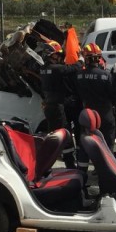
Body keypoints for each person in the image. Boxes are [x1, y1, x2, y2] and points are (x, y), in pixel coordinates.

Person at [39, 40, 81, 168]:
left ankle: (47, 165)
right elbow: (73, 68)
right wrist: (81, 60)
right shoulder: (56, 69)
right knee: (65, 136)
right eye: (57, 55)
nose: (59, 57)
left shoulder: (43, 69)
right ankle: (70, 165)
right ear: (50, 55)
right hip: (57, 108)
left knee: (54, 135)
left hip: (49, 107)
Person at [75, 43, 116, 150]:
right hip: (105, 114)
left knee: (86, 144)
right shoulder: (106, 75)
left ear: (86, 58)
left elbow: (77, 93)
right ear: (99, 58)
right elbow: (115, 95)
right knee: (107, 145)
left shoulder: (79, 75)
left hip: (88, 115)